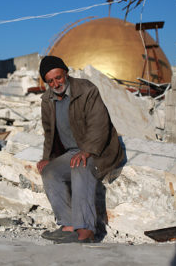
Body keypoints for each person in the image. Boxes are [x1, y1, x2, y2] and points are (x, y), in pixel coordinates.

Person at [36, 55, 123, 243]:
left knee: (81, 168)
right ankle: (68, 226)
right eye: (50, 81)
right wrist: (46, 158)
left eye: (58, 77)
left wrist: (88, 151)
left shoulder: (86, 90)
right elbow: (49, 132)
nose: (56, 83)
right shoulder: (47, 100)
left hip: (100, 150)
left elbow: (99, 124)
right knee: (50, 172)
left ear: (66, 73)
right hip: (71, 152)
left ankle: (86, 230)